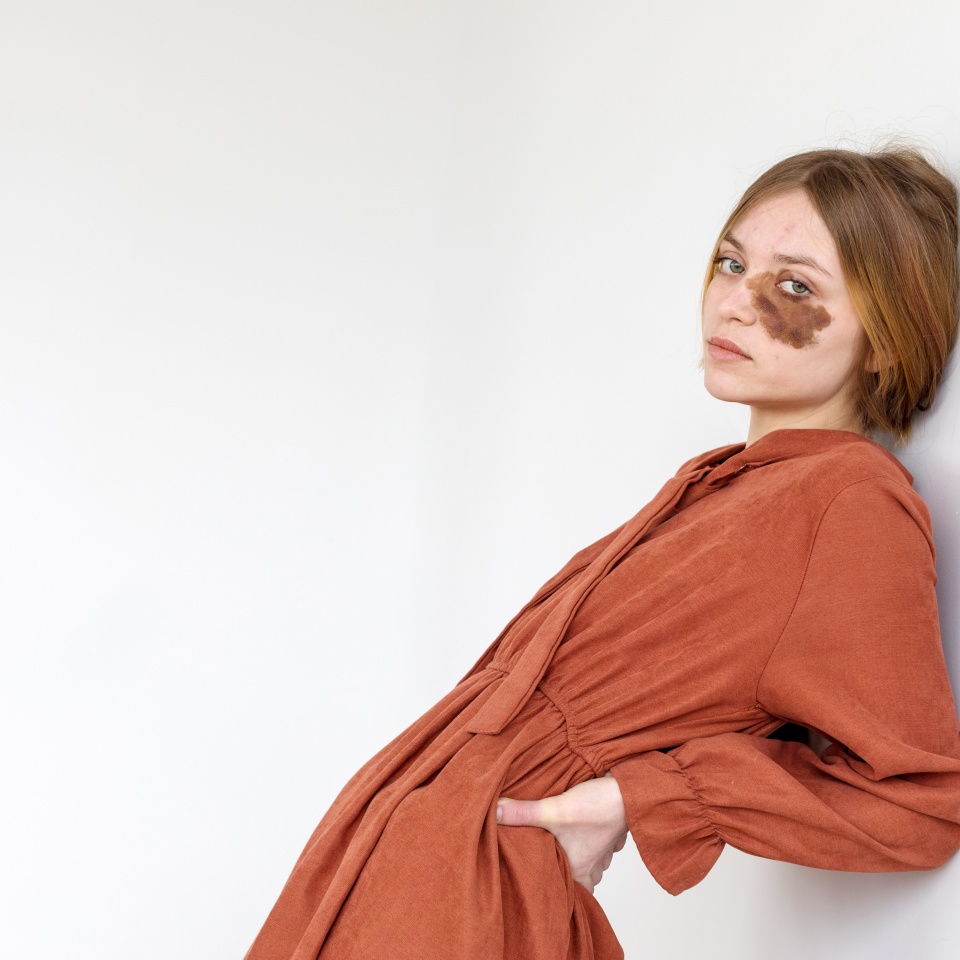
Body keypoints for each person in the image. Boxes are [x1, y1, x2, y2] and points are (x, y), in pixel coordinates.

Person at [245, 146, 960, 960]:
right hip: (407, 869)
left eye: (794, 286)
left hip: (473, 893)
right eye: (731, 262)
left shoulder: (847, 502)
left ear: (886, 340)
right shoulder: (730, 488)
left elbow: (917, 800)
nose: (735, 302)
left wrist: (642, 797)